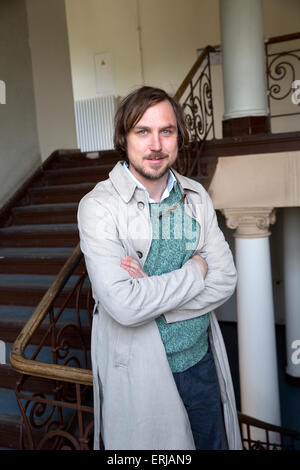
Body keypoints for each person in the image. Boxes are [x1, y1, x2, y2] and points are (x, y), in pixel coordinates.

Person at [77, 86, 242, 450]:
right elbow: (124, 304)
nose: (156, 144)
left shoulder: (195, 196)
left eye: (166, 131)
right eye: (143, 131)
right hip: (142, 370)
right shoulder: (99, 207)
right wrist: (196, 270)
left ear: (178, 138)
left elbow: (226, 279)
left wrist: (151, 296)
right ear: (124, 137)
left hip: (200, 363)